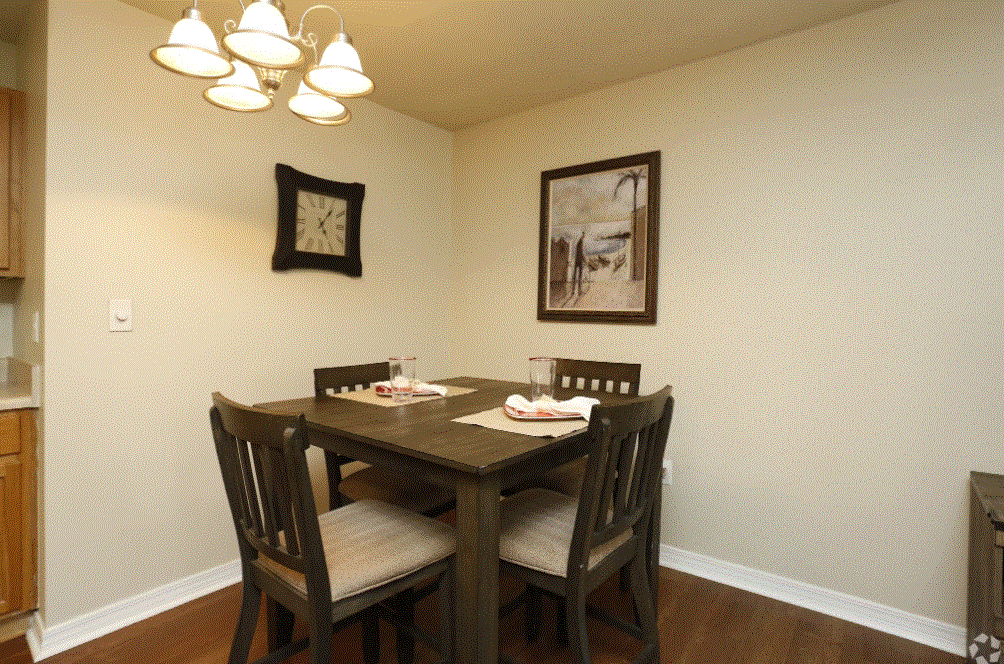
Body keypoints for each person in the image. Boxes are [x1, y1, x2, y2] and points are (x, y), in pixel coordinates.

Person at [572, 229, 585, 296]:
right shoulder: (580, 243)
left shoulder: (579, 244)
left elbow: (580, 253)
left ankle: (573, 291)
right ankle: (578, 291)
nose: (583, 237)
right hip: (579, 261)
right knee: (579, 276)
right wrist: (584, 260)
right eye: (583, 236)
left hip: (577, 260)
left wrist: (584, 259)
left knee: (575, 276)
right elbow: (581, 253)